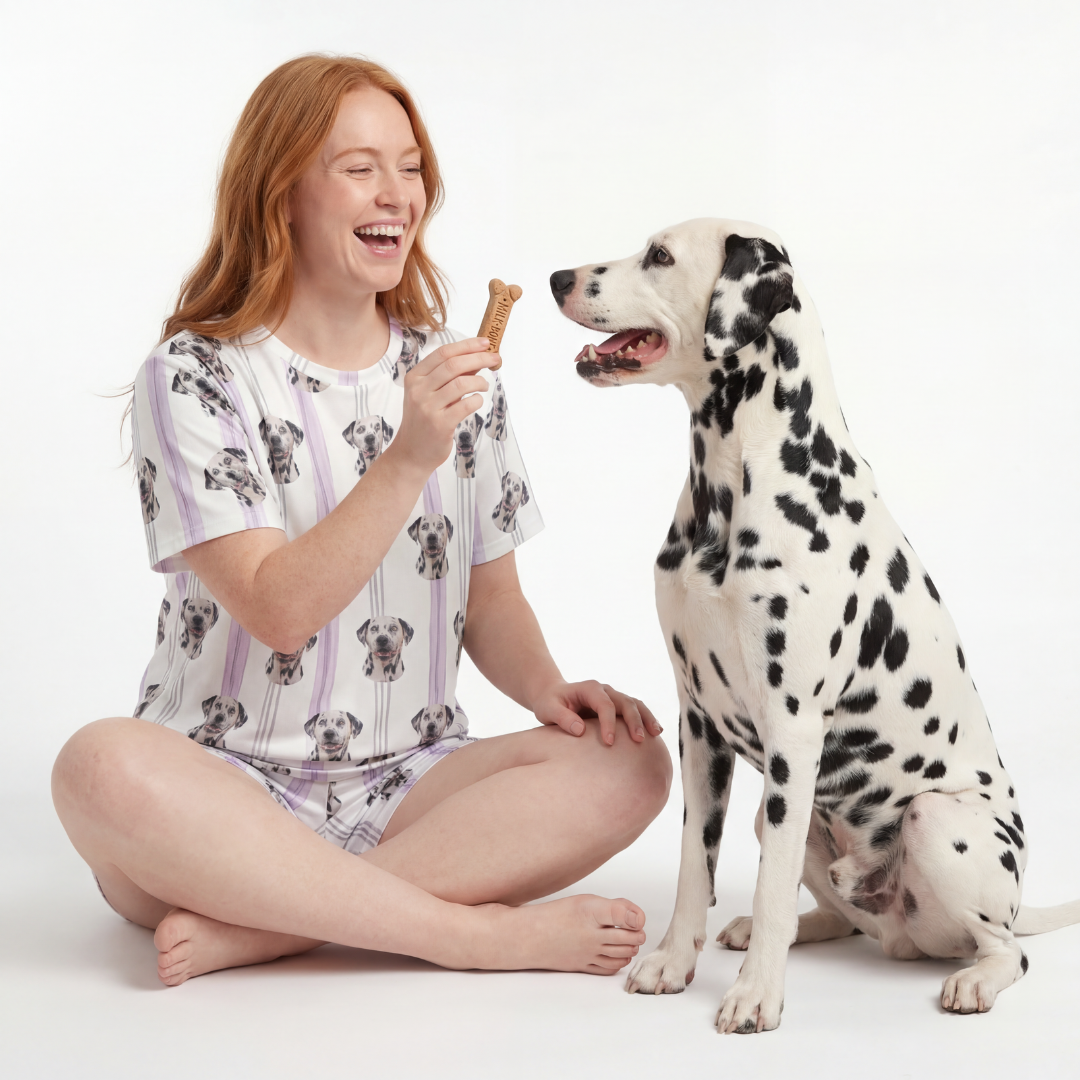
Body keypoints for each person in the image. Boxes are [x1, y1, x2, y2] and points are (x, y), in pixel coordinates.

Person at [51, 54, 670, 987]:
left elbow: (490, 595)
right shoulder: (193, 376)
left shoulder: (455, 373)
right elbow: (277, 610)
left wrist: (551, 691)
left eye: (411, 165)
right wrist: (408, 454)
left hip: (409, 781)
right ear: (282, 191)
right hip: (219, 792)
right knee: (94, 767)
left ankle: (268, 929)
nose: (398, 193)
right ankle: (466, 936)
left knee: (632, 766)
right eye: (359, 167)